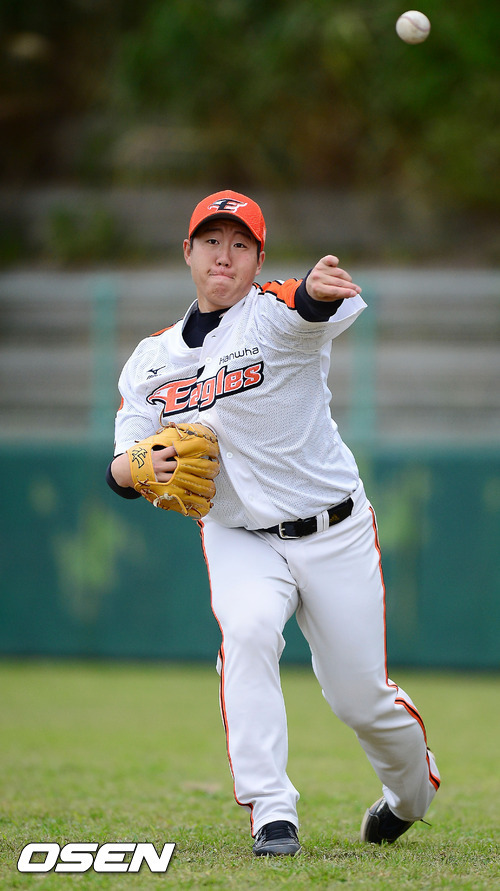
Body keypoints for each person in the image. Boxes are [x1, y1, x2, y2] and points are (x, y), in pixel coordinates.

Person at [106, 189, 440, 856]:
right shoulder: (151, 360)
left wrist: (315, 291)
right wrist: (138, 467)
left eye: (240, 245)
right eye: (211, 241)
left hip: (334, 528)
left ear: (258, 260)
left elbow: (310, 307)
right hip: (238, 534)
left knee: (359, 698)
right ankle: (272, 811)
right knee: (249, 630)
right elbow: (120, 464)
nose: (223, 255)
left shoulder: (272, 314)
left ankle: (411, 795)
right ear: (188, 252)